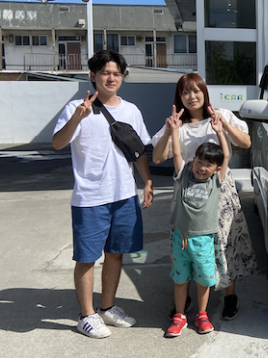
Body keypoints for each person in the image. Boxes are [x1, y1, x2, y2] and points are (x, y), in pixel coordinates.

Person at [52, 50, 153, 339]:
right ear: (93, 75)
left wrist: (147, 181)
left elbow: (137, 150)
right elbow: (58, 143)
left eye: (116, 73)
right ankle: (86, 316)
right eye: (105, 72)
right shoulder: (76, 108)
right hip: (90, 197)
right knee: (86, 258)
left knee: (116, 254)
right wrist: (77, 118)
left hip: (124, 194)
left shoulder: (131, 110)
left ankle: (106, 307)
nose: (111, 78)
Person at [152, 73, 256, 320]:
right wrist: (169, 131)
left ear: (204, 92)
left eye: (196, 90)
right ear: (180, 97)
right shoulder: (177, 124)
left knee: (225, 242)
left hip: (220, 191)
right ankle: (184, 296)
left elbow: (245, 143)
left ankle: (229, 295)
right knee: (186, 245)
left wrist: (224, 125)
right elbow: (157, 157)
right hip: (188, 193)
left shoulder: (221, 114)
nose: (191, 96)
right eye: (185, 92)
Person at [165, 111, 229, 337]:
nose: (202, 167)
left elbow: (226, 156)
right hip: (181, 238)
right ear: (193, 161)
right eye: (199, 162)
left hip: (203, 239)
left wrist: (220, 132)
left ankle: (202, 315)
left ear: (216, 169)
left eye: (208, 165)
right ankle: (180, 316)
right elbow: (176, 152)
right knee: (180, 279)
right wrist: (174, 129)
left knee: (203, 279)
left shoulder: (215, 181)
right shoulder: (184, 175)